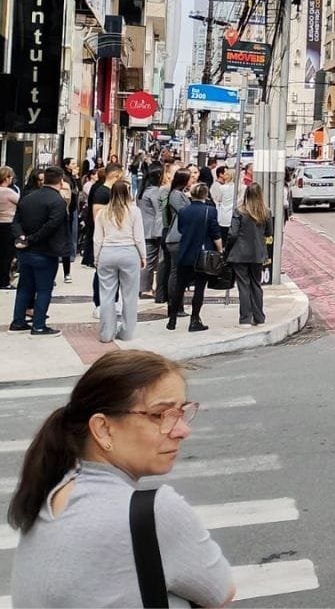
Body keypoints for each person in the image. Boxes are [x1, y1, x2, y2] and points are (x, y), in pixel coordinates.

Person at [6, 350, 236, 607]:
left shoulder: (53, 492)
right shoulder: (155, 512)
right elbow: (220, 593)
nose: (183, 430)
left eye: (182, 412)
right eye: (161, 415)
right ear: (103, 429)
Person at [9, 166, 71, 337]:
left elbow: (15, 221)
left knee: (24, 287)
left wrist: (22, 238)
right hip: (45, 251)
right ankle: (39, 325)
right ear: (60, 181)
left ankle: (18, 321)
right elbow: (51, 226)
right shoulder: (57, 202)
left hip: (26, 251)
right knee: (44, 289)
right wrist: (31, 239)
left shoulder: (28, 197)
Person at [93, 182, 145, 343]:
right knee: (130, 295)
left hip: (107, 253)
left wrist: (96, 258)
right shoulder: (134, 211)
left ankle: (106, 333)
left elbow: (97, 239)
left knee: (107, 294)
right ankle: (127, 332)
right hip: (129, 252)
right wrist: (143, 255)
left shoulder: (103, 213)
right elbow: (138, 237)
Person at [169, 184, 222, 333]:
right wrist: (220, 249)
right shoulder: (210, 211)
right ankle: (194, 319)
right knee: (199, 288)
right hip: (202, 254)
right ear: (206, 195)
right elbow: (215, 232)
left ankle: (172, 318)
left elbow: (180, 229)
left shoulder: (184, 211)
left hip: (185, 252)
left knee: (179, 286)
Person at [226, 182, 271, 327]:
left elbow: (232, 233)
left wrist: (227, 249)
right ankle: (259, 317)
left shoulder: (239, 211)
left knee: (243, 285)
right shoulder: (266, 212)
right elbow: (269, 232)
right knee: (256, 285)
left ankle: (245, 318)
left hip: (239, 253)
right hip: (257, 253)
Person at [89, 164, 124, 318]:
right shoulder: (102, 193)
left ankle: (113, 301)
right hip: (104, 240)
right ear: (115, 175)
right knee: (101, 273)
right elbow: (97, 216)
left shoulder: (111, 192)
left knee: (113, 273)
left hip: (114, 240)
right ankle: (99, 304)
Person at [161, 169, 193, 310]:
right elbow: (184, 212)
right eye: (190, 177)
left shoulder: (181, 194)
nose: (193, 180)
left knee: (180, 272)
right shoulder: (175, 195)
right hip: (176, 237)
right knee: (176, 272)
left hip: (182, 237)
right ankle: (174, 305)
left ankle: (178, 303)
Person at [139, 166, 165, 299]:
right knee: (150, 261)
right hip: (153, 230)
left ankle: (144, 287)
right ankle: (145, 288)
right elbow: (160, 210)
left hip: (146, 228)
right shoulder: (154, 192)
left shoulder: (144, 190)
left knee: (148, 260)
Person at [0, 167, 19, 291]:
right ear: (7, 178)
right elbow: (22, 203)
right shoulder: (8, 192)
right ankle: (4, 281)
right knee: (7, 255)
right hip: (8, 224)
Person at [210, 166, 236, 235]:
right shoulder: (237, 188)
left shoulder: (222, 188)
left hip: (223, 214)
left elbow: (218, 199)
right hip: (233, 214)